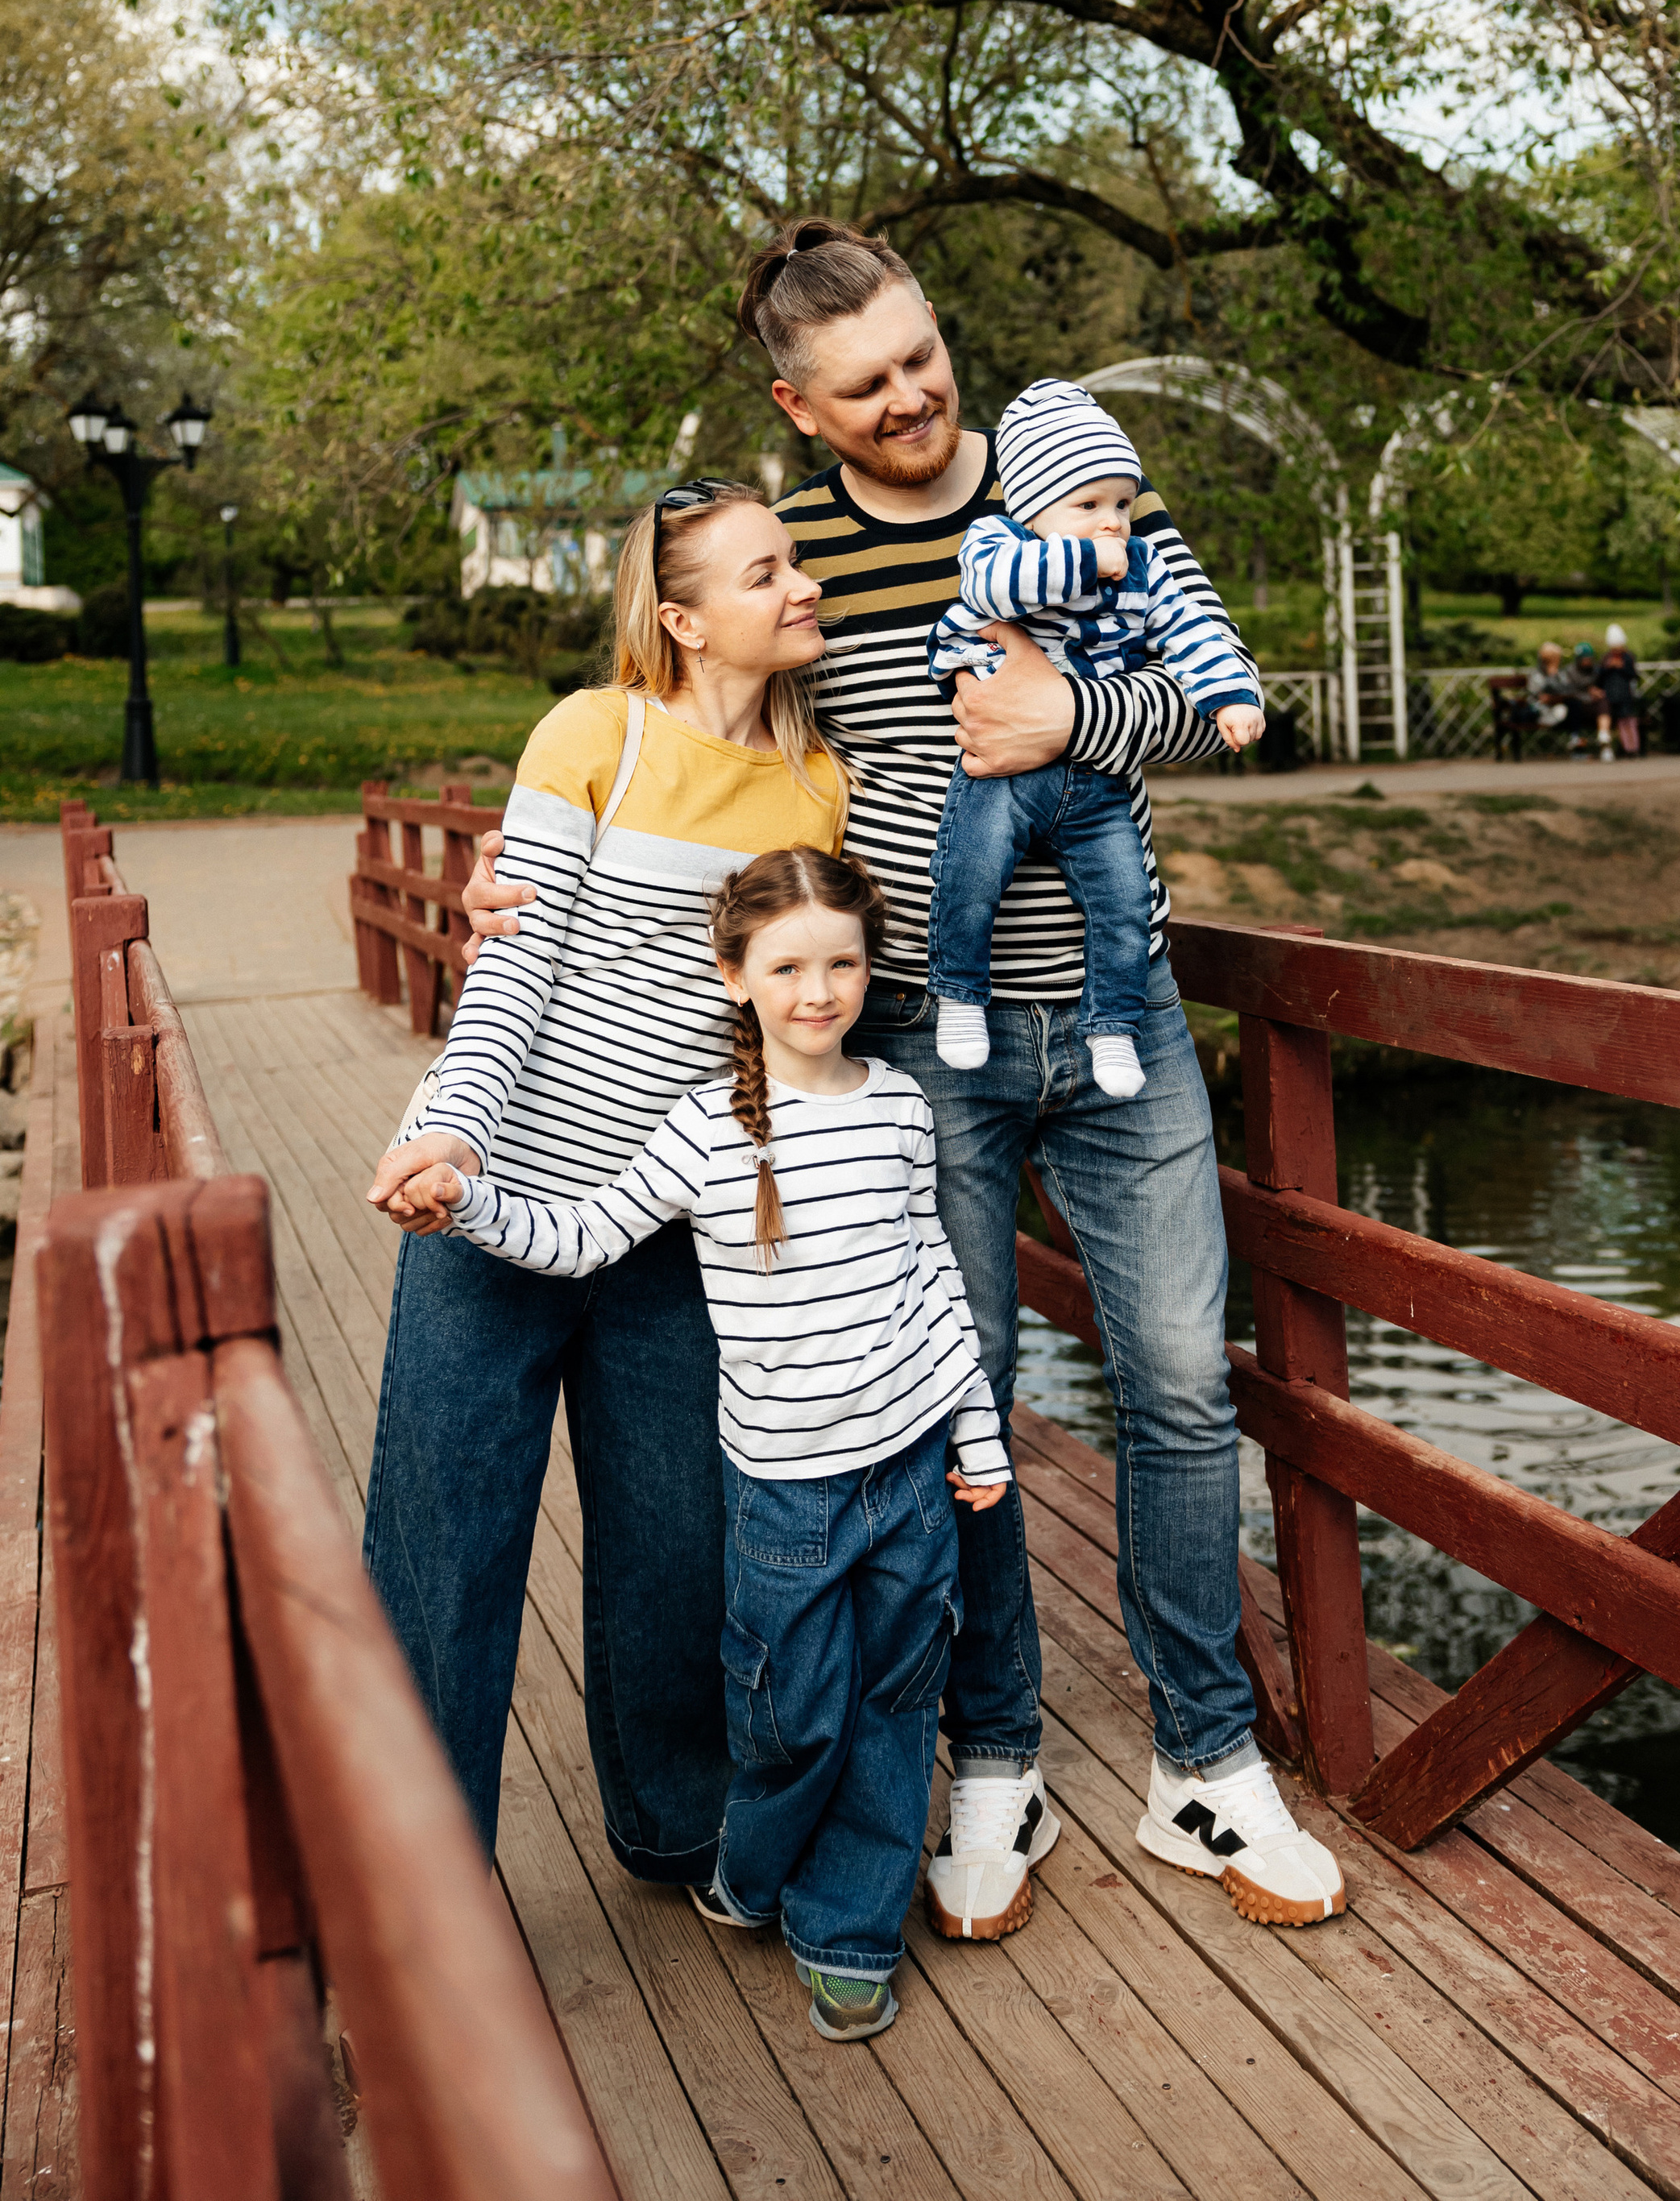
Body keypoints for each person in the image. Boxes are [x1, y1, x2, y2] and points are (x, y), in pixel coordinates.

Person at [457, 220, 1346, 1943]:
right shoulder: (790, 562)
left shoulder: (1080, 479)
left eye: (921, 359)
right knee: (969, 1409)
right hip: (913, 1049)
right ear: (800, 409)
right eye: (863, 389)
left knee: (1176, 1380)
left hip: (1117, 1018)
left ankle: (1204, 1762)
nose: (911, 400)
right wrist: (523, 866)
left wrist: (1066, 729)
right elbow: (701, 749)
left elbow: (1210, 686)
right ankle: (992, 1759)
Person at [381, 849, 1006, 2047]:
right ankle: (756, 1862)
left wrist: (974, 1435)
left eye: (842, 964)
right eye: (787, 966)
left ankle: (849, 1936)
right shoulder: (706, 1132)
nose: (817, 991)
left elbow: (935, 1282)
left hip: (911, 1478)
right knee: (793, 1711)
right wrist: (468, 1201)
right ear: (736, 977)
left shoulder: (898, 1108)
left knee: (891, 1707)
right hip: (785, 1495)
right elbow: (580, 1239)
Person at [360, 483, 845, 1894]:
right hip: (489, 1207)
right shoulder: (598, 734)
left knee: (675, 1551)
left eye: (798, 561)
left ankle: (677, 1828)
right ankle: (418, 1891)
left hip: (661, 1230)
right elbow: (511, 972)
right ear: (685, 619)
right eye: (770, 572)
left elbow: (792, 1014)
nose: (802, 584)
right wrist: (452, 1138)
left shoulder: (820, 787)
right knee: (445, 1559)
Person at [927, 377, 1265, 1100]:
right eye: (1088, 506)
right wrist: (1085, 563)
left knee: (1124, 899)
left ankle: (1113, 1025)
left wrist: (1228, 697)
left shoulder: (1144, 563)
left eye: (1120, 502)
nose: (1113, 521)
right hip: (1001, 779)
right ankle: (958, 991)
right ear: (1031, 505)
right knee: (972, 871)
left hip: (1097, 782)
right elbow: (992, 590)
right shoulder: (997, 541)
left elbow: (1194, 632)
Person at [1599, 623, 1643, 756]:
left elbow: (1634, 675)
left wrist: (1622, 667)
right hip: (1611, 695)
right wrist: (1609, 667)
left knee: (1629, 721)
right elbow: (1600, 676)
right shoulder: (1606, 658)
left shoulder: (1628, 657)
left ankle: (1633, 748)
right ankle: (1623, 748)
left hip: (1626, 695)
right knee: (1619, 723)